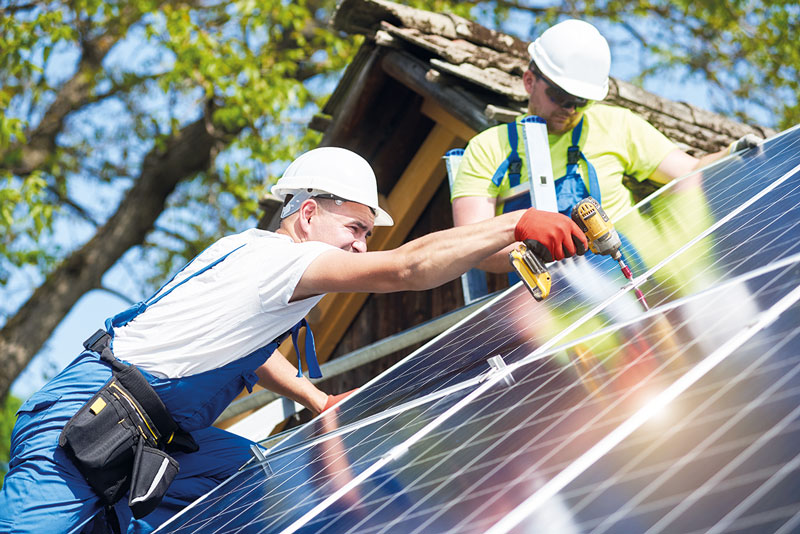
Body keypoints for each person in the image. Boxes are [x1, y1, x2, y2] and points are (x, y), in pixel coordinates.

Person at [0, 146, 587, 534]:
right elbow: (406, 268)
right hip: (85, 425)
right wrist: (514, 223)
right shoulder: (279, 261)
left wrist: (314, 400)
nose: (360, 245)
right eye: (355, 228)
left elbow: (246, 352)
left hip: (149, 431)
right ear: (308, 214)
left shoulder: (246, 257)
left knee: (243, 476)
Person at [451, 19, 761, 273]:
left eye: (580, 101)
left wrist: (732, 154)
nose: (570, 109)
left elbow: (689, 172)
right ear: (530, 81)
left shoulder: (615, 124)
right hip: (557, 308)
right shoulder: (489, 149)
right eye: (560, 96)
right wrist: (536, 250)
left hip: (641, 276)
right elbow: (471, 243)